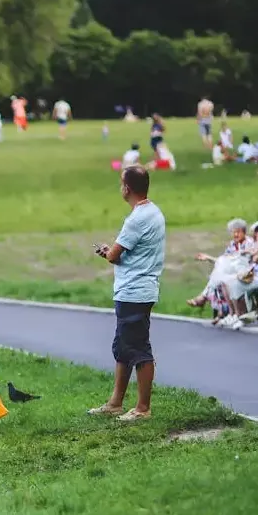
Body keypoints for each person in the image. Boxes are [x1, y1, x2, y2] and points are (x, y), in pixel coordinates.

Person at [90, 166, 165, 421]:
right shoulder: (154, 212)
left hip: (134, 290)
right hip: (139, 288)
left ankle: (143, 408)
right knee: (123, 346)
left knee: (138, 348)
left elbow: (114, 255)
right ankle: (115, 403)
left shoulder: (136, 219)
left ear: (127, 188)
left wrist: (105, 251)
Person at [187, 218, 256, 322]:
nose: (235, 235)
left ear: (244, 232)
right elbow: (223, 261)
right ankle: (221, 311)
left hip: (245, 273)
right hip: (233, 271)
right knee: (219, 277)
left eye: (238, 232)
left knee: (219, 278)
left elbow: (246, 261)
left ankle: (211, 304)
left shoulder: (249, 243)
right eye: (233, 232)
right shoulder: (233, 244)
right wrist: (209, 258)